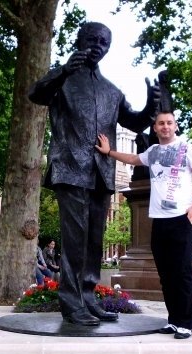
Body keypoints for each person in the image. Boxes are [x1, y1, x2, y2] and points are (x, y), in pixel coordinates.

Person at [28, 22, 160, 326]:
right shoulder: (62, 80)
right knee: (75, 241)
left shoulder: (111, 90)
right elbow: (35, 93)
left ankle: (88, 297)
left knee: (94, 241)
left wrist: (150, 106)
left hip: (101, 172)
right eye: (93, 39)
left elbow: (134, 121)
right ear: (80, 40)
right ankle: (71, 303)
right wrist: (63, 71)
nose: (98, 46)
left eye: (105, 42)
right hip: (70, 169)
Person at [95, 112, 192, 339]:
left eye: (169, 123)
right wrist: (109, 152)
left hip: (181, 219)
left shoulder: (188, 149)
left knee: (182, 273)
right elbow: (133, 159)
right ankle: (174, 321)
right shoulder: (153, 151)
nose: (165, 126)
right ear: (156, 128)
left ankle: (186, 324)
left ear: (175, 126)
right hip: (159, 221)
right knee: (166, 275)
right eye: (161, 123)